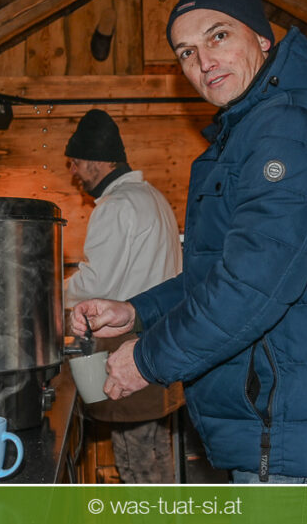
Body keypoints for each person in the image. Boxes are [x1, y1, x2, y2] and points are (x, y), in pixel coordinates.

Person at [72, 0, 307, 484]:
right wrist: (137, 311)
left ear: (261, 38)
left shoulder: (289, 127)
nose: (203, 61)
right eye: (186, 52)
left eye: (218, 36)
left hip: (290, 433)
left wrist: (146, 360)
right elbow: (219, 273)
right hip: (274, 424)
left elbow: (250, 288)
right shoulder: (248, 132)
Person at [64, 109, 185, 484]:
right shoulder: (152, 196)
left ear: (97, 161)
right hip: (163, 345)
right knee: (156, 457)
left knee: (137, 467)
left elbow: (97, 286)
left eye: (76, 162)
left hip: (131, 349)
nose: (73, 172)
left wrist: (47, 293)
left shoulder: (116, 205)